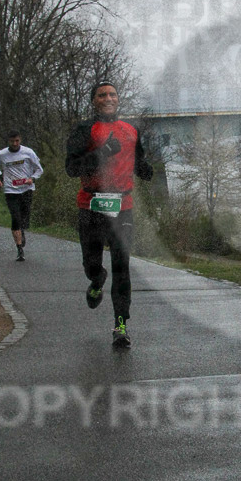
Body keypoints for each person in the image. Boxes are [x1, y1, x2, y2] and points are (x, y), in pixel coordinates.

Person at [65, 82, 154, 348]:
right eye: (102, 95)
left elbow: (137, 161)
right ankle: (96, 278)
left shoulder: (130, 130)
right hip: (91, 204)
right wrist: (103, 152)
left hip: (122, 207)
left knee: (122, 267)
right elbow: (72, 168)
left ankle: (121, 324)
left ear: (119, 99)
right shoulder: (84, 130)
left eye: (112, 94)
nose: (108, 98)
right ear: (93, 100)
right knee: (92, 263)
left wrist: (145, 171)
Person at [0, 131, 43, 262]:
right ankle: (19, 249)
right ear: (8, 141)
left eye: (17, 141)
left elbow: (39, 169)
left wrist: (32, 178)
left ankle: (22, 230)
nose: (15, 144)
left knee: (24, 217)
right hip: (11, 190)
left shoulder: (28, 152)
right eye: (12, 141)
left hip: (26, 189)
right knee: (15, 217)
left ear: (20, 140)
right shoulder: (2, 154)